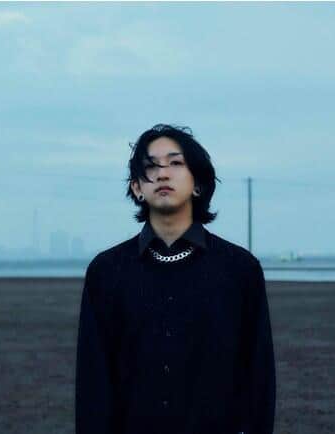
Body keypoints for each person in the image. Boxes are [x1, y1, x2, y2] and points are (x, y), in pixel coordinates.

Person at [75, 124, 276, 434]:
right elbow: (93, 382)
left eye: (175, 163)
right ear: (137, 188)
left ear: (198, 184)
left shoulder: (240, 269)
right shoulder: (106, 271)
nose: (162, 174)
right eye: (151, 166)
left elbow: (259, 377)